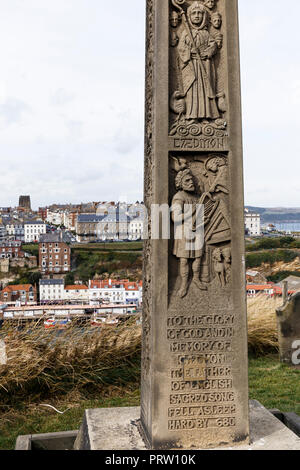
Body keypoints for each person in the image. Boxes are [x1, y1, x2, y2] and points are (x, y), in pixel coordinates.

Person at [177, 2, 220, 121]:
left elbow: (213, 45)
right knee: (193, 91)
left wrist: (208, 52)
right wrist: (190, 52)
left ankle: (206, 116)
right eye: (194, 13)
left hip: (204, 65)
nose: (197, 16)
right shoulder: (186, 33)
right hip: (191, 65)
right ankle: (192, 116)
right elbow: (181, 48)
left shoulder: (206, 33)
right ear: (189, 16)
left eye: (199, 13)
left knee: (205, 90)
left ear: (204, 16)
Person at [171, 168, 207, 298]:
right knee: (184, 260)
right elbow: (175, 217)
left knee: (198, 257)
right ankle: (184, 284)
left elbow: (200, 214)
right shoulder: (178, 197)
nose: (191, 182)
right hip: (184, 233)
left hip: (197, 230)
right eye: (187, 180)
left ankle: (196, 279)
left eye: (191, 179)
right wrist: (191, 210)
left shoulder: (197, 197)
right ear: (181, 183)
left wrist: (201, 220)